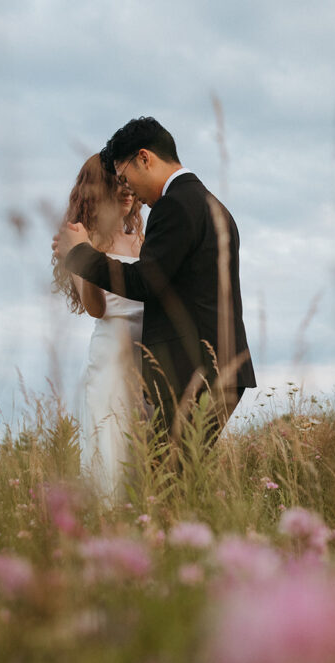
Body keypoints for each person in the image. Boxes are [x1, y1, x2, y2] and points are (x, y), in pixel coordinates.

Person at [53, 117, 256, 449]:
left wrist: (81, 254)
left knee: (168, 483)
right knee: (175, 477)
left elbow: (145, 282)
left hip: (194, 371)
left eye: (125, 176)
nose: (127, 187)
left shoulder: (174, 205)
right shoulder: (210, 203)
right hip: (215, 369)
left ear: (144, 158)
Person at [52, 155, 145, 501]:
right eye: (115, 183)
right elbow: (95, 308)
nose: (126, 190)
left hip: (149, 355)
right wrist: (86, 256)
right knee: (113, 451)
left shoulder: (142, 241)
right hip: (111, 358)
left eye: (127, 181)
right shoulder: (82, 239)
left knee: (147, 449)